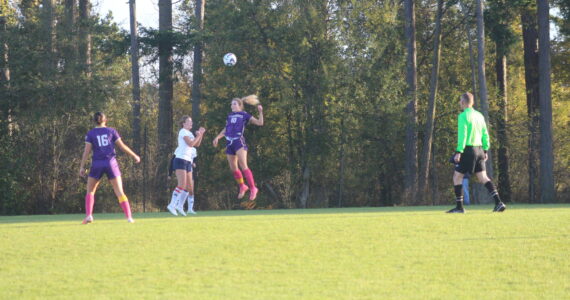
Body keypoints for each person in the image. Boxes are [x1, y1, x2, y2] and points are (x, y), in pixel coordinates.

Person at [448, 92, 506, 213]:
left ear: (463, 102)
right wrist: (485, 149)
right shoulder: (479, 115)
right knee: (483, 177)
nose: (459, 103)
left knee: (457, 177)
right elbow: (485, 133)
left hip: (468, 150)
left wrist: (459, 151)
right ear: (472, 102)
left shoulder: (463, 116)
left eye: (460, 101)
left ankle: (459, 207)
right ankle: (498, 202)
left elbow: (462, 135)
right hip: (479, 149)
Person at [79, 112, 141, 224]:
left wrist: (82, 167)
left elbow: (86, 152)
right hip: (111, 163)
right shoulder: (111, 131)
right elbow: (122, 146)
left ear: (94, 121)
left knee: (90, 191)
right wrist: (134, 155)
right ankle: (129, 217)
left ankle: (89, 215)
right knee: (119, 192)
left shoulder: (91, 133)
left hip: (97, 164)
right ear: (105, 120)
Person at [213, 95, 263, 203]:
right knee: (233, 168)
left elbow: (260, 123)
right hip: (229, 142)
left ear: (240, 106)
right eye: (231, 104)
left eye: (234, 103)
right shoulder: (230, 115)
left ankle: (253, 188)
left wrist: (260, 112)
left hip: (238, 141)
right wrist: (217, 137)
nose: (232, 105)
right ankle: (242, 186)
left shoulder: (244, 115)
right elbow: (226, 129)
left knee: (243, 165)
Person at [167, 116, 205, 216]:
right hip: (180, 160)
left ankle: (179, 206)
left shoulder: (190, 133)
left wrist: (200, 135)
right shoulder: (183, 131)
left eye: (191, 121)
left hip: (188, 161)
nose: (191, 123)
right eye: (188, 121)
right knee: (182, 184)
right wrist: (198, 136)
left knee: (188, 187)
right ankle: (171, 205)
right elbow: (191, 144)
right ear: (183, 124)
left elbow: (197, 144)